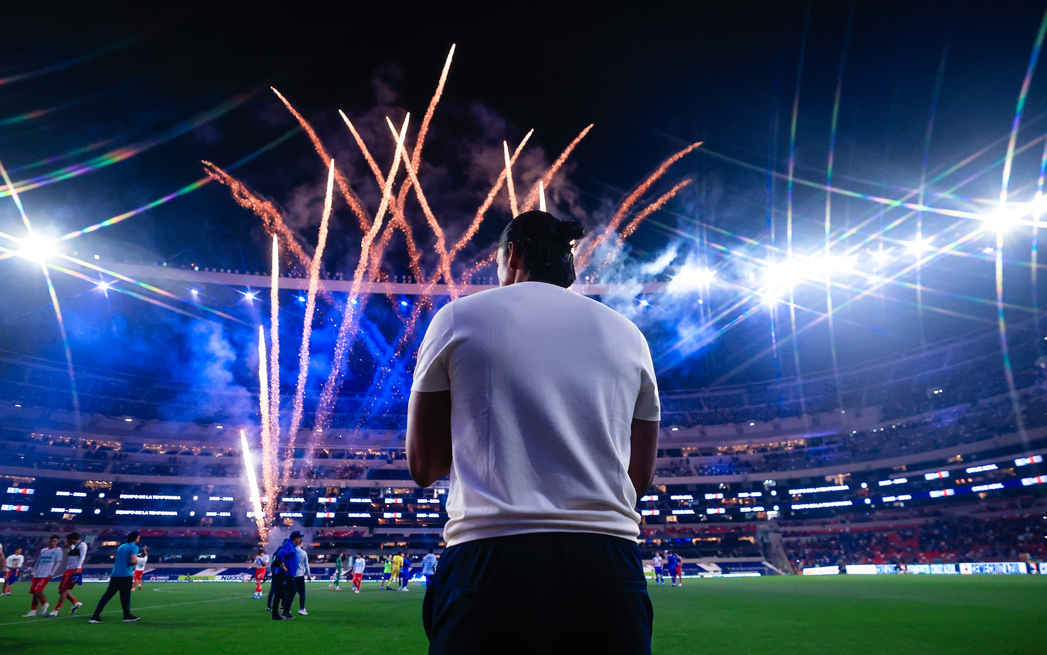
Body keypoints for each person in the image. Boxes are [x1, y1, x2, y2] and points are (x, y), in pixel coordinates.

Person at [408, 211, 660, 654]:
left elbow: (425, 466)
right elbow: (638, 477)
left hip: (492, 557)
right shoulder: (629, 334)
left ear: (513, 254)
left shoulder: (458, 317)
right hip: (609, 564)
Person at [88, 531, 141, 623]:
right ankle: (127, 616)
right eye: (139, 537)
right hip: (125, 575)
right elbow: (132, 561)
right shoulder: (134, 547)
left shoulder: (121, 547)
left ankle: (95, 616)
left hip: (115, 574)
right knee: (125, 597)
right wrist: (137, 561)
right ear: (136, 538)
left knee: (106, 596)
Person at [24, 535, 63, 618]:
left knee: (37, 591)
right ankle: (33, 611)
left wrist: (52, 573)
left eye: (55, 541)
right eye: (51, 541)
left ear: (57, 542)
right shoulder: (43, 550)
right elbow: (38, 562)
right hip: (38, 573)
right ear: (48, 541)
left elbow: (58, 562)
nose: (53, 542)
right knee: (34, 593)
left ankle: (45, 604)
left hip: (46, 574)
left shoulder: (58, 550)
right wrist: (33, 573)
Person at [49, 533, 86, 616]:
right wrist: (67, 548)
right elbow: (66, 555)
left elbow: (82, 557)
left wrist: (77, 568)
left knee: (63, 590)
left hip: (74, 569)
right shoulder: (72, 546)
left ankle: (55, 610)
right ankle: (75, 602)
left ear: (72, 539)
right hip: (69, 569)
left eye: (68, 540)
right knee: (61, 590)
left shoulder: (82, 545)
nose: (67, 541)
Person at [270, 531, 302, 621]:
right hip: (284, 574)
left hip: (288, 574)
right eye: (299, 538)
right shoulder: (288, 545)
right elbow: (280, 555)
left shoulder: (290, 545)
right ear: (296, 538)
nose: (300, 539)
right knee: (280, 592)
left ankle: (285, 611)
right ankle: (276, 614)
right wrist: (283, 566)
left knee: (291, 590)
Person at [294, 539, 310, 615]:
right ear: (301, 544)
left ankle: (286, 609)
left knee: (290, 592)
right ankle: (301, 609)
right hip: (300, 575)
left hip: (291, 574)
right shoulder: (303, 553)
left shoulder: (291, 552)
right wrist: (308, 574)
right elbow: (306, 564)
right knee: (302, 593)